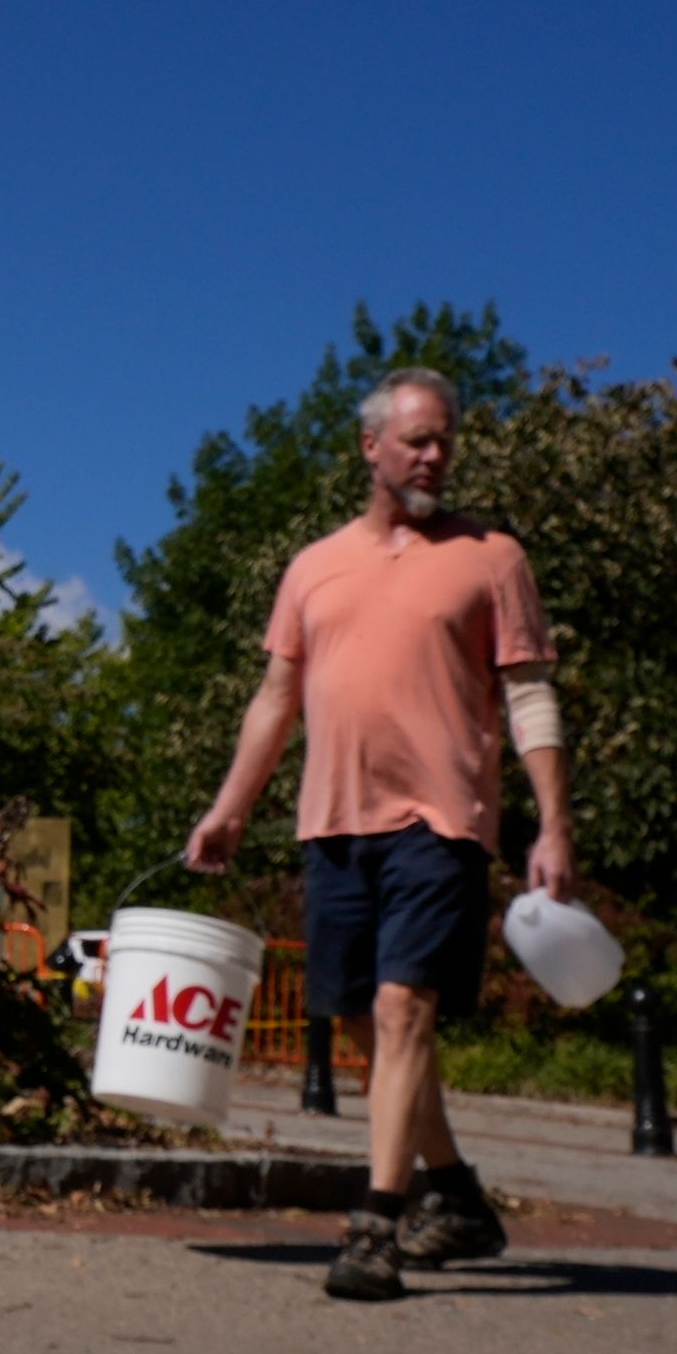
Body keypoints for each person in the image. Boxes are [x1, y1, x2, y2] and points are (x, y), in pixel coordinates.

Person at [186, 368, 578, 1301]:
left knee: (406, 1010)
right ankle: (456, 1196)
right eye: (416, 440)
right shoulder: (314, 566)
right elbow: (276, 697)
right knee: (366, 1018)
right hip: (333, 822)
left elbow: (529, 693)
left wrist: (553, 820)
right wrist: (232, 805)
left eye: (445, 439)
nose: (435, 455)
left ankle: (376, 1226)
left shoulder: (492, 557)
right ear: (371, 447)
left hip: (442, 821)